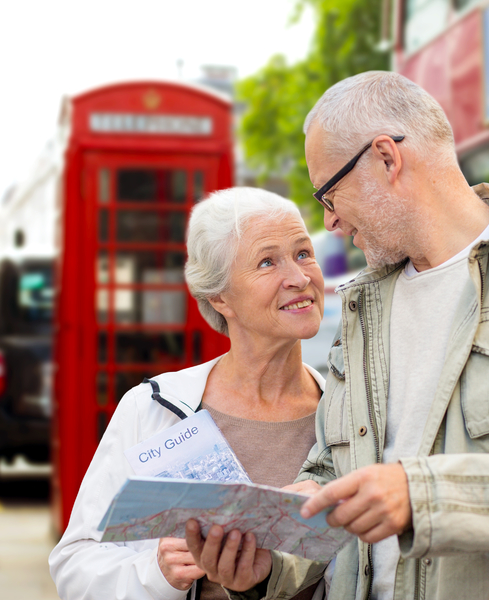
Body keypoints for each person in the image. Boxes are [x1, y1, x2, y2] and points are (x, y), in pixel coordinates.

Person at [189, 72, 489, 600]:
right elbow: (331, 479)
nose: (332, 224)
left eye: (329, 193)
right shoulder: (363, 308)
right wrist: (265, 569)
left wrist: (423, 496)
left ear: (387, 159)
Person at [49, 188, 329, 600]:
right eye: (267, 261)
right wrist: (158, 573)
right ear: (220, 297)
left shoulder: (346, 414)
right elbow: (74, 564)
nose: (300, 277)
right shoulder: (153, 408)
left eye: (303, 253)